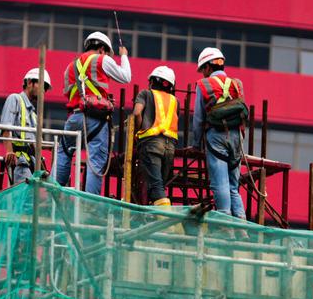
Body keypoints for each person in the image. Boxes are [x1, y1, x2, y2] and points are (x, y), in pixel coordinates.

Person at [54, 31, 131, 195]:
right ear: (102, 49)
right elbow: (126, 77)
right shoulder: (102, 59)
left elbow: (68, 93)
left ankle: (52, 192)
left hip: (74, 117)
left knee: (64, 153)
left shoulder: (70, 67)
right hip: (96, 119)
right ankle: (89, 205)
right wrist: (123, 56)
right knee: (95, 161)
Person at [190, 47, 248, 219]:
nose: (202, 74)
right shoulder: (237, 84)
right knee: (233, 185)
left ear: (208, 67)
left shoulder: (203, 85)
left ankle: (225, 222)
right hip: (237, 137)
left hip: (216, 137)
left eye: (203, 70)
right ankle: (241, 225)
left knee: (220, 183)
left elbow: (199, 119)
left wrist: (196, 143)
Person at [132, 66, 180, 207]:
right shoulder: (175, 100)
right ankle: (155, 218)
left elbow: (136, 113)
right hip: (170, 147)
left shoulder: (145, 94)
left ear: (152, 81)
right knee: (158, 185)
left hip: (151, 144)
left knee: (156, 186)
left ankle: (170, 225)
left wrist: (138, 130)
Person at [0, 67, 51, 185]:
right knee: (25, 198)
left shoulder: (33, 114)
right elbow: (6, 127)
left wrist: (52, 146)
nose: (43, 91)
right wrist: (9, 151)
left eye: (46, 89)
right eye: (42, 85)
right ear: (29, 83)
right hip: (20, 162)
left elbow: (35, 142)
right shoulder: (15, 99)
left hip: (32, 164)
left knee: (32, 199)